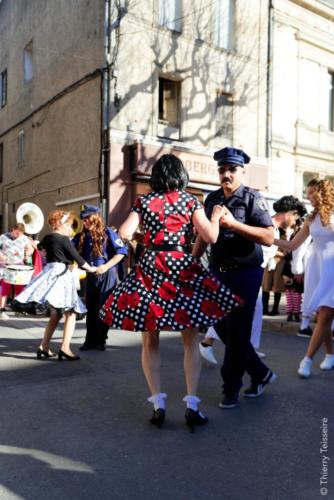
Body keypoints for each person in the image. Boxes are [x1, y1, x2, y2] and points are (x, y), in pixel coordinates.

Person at [99, 154, 242, 430]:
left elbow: (125, 232)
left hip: (151, 264)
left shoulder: (144, 201)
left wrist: (149, 238)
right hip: (181, 267)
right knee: (190, 338)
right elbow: (211, 237)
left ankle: (158, 404)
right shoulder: (189, 201)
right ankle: (191, 405)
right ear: (180, 175)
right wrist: (214, 216)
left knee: (149, 339)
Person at [192, 147, 276, 409]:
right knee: (219, 327)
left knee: (238, 333)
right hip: (218, 273)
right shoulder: (212, 199)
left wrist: (234, 225)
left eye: (231, 169)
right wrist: (192, 261)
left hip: (245, 274)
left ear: (242, 171)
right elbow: (204, 234)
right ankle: (261, 372)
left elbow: (269, 236)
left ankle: (231, 388)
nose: (226, 174)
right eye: (222, 169)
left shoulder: (252, 198)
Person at [14, 210, 96, 360]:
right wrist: (92, 269)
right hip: (62, 275)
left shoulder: (47, 237)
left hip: (50, 272)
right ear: (60, 223)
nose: (71, 229)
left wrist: (34, 243)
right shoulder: (64, 239)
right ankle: (65, 348)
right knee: (71, 313)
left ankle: (44, 346)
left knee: (56, 314)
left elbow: (40, 249)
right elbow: (77, 258)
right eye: (70, 225)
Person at [274, 179, 334, 378]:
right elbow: (292, 245)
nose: (307, 196)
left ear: (321, 193)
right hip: (318, 269)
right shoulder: (310, 219)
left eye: (310, 193)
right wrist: (267, 238)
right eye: (307, 193)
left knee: (325, 314)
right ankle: (330, 354)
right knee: (321, 315)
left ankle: (307, 359)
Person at [72, 205, 128, 351]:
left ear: (95, 218)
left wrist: (106, 266)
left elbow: (121, 252)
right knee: (90, 308)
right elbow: (70, 250)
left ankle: (101, 340)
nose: (84, 223)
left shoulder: (108, 232)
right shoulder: (81, 236)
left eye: (87, 219)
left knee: (103, 309)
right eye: (83, 220)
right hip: (90, 275)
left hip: (107, 274)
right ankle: (90, 341)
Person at [0, 223, 35, 319]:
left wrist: (27, 254)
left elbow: (30, 249)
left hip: (19, 265)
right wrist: (1, 256)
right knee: (5, 288)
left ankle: (17, 309)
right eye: (17, 233)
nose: (18, 235)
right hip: (5, 266)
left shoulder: (24, 238)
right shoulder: (3, 237)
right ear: (13, 229)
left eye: (20, 234)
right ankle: (1, 310)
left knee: (19, 288)